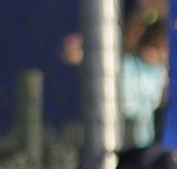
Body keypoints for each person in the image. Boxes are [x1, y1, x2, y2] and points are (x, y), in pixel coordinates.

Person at [60, 9, 169, 149]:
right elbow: (75, 53)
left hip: (142, 138)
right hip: (115, 129)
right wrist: (81, 48)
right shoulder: (124, 63)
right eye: (156, 49)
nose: (160, 55)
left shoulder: (161, 73)